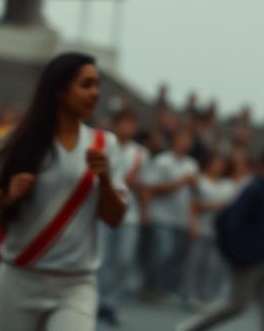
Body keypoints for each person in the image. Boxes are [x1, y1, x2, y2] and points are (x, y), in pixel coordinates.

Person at [0, 52, 127, 331]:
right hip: (20, 278)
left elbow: (114, 218)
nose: (95, 93)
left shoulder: (105, 145)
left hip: (76, 283)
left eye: (96, 85)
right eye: (86, 85)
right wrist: (4, 196)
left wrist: (106, 180)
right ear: (59, 91)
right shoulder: (21, 142)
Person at [178, 148, 264, 331]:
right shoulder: (254, 190)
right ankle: (191, 327)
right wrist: (237, 254)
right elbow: (227, 220)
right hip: (249, 262)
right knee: (236, 306)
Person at [98, 108, 149, 326]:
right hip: (105, 211)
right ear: (116, 124)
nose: (127, 128)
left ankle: (111, 301)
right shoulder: (105, 145)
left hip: (130, 213)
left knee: (125, 259)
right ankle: (100, 302)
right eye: (124, 123)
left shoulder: (140, 154)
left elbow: (145, 186)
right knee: (104, 258)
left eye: (131, 124)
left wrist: (145, 208)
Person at [143, 129, 199, 299]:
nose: (186, 143)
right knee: (163, 251)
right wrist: (180, 182)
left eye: (188, 140)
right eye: (182, 139)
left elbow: (194, 196)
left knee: (175, 256)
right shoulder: (162, 161)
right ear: (174, 141)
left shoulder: (192, 164)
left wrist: (192, 221)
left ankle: (162, 289)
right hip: (162, 216)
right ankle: (149, 286)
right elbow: (152, 188)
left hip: (181, 218)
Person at [184, 154, 238, 307]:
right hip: (201, 228)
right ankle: (189, 294)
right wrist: (193, 224)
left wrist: (211, 205)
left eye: (221, 164)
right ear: (208, 164)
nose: (218, 167)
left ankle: (206, 296)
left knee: (213, 265)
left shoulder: (228, 184)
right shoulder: (199, 181)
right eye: (215, 163)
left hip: (219, 232)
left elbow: (231, 207)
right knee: (195, 263)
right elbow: (194, 205)